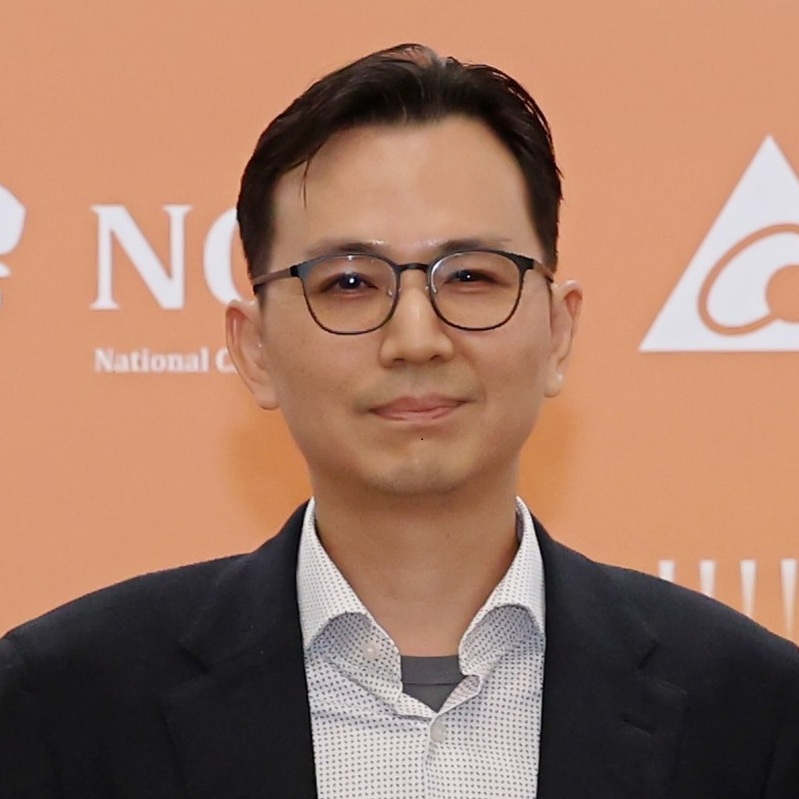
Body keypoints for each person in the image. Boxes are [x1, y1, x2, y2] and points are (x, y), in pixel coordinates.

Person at [1, 43, 798, 799]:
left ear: (557, 331)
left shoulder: (753, 712)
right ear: (253, 349)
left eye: (472, 276)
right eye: (348, 283)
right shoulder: (61, 705)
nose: (416, 337)